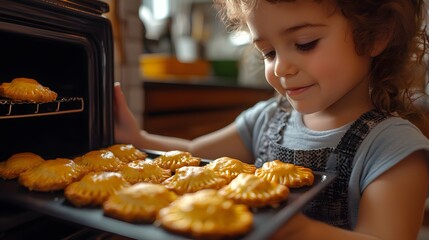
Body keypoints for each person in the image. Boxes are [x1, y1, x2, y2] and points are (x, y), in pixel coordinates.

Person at [114, 0, 429, 239]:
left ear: (376, 35)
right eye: (268, 53)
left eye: (305, 44)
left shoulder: (393, 148)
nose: (280, 68)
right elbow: (195, 154)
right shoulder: (266, 118)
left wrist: (298, 230)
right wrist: (139, 141)